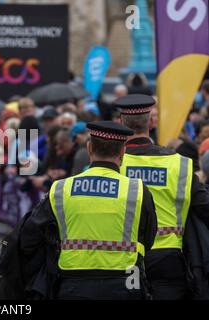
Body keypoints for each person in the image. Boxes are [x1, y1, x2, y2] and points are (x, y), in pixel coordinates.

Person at [20, 121, 157, 300]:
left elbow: (29, 236)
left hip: (72, 283)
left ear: (89, 148)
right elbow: (149, 237)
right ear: (123, 152)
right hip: (124, 283)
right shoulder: (137, 189)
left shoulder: (61, 188)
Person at [117, 94, 209, 300]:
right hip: (169, 258)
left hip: (125, 257)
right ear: (151, 121)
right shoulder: (181, 164)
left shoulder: (115, 164)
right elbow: (205, 207)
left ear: (121, 122)